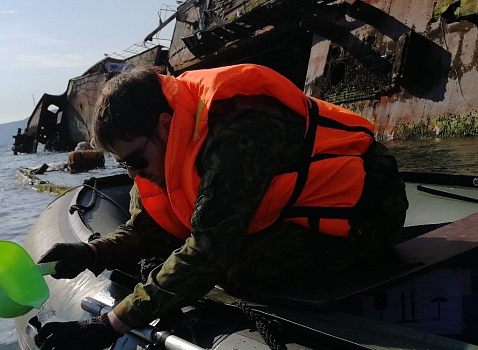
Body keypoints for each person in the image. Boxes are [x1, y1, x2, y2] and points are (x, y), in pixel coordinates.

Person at [36, 63, 408, 349]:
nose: (135, 172)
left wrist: (110, 324)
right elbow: (147, 229)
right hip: (287, 209)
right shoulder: (157, 150)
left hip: (366, 209)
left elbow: (210, 251)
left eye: (134, 160)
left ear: (164, 126)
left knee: (241, 268)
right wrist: (91, 252)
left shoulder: (238, 129)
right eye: (124, 164)